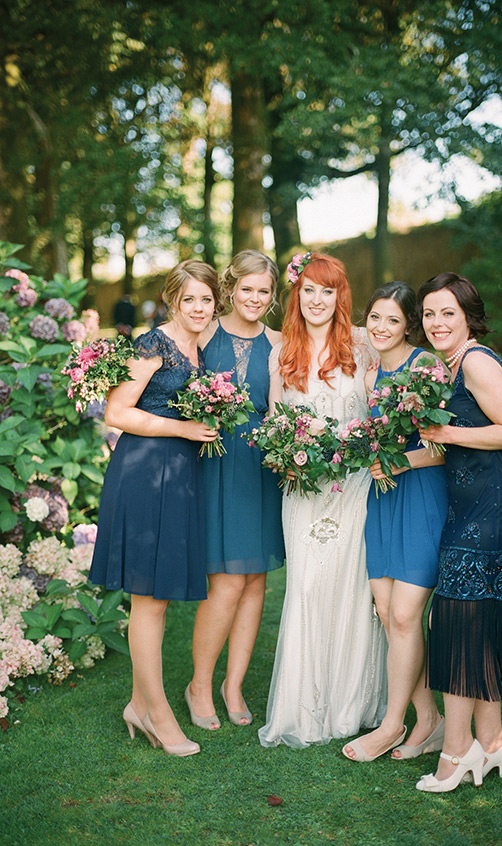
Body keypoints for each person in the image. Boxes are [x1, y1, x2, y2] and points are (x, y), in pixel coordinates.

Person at [89, 260, 221, 757]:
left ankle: (136, 703)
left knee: (158, 597)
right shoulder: (153, 345)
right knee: (149, 597)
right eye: (189, 299)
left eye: (206, 300)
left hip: (180, 474)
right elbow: (117, 412)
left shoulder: (199, 346)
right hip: (146, 472)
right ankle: (155, 711)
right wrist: (184, 429)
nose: (199, 308)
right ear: (173, 300)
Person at [258, 252, 387, 749]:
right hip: (304, 490)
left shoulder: (361, 345)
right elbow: (274, 425)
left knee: (353, 587)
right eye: (308, 290)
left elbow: (386, 404)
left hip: (355, 487)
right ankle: (304, 708)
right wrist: (287, 457)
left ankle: (353, 705)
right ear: (297, 294)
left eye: (326, 291)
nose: (317, 300)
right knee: (308, 587)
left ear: (340, 296)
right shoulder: (282, 353)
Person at [414, 271, 502, 793]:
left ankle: (456, 751)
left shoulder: (478, 362)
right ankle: (492, 741)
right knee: (469, 623)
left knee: (456, 624)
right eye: (429, 313)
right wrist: (402, 461)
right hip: (471, 504)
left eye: (447, 313)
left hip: (493, 508)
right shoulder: (448, 365)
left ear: (467, 316)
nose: (437, 323)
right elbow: (452, 445)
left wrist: (445, 431)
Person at [342, 282, 448, 762]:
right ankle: (430, 720)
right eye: (375, 318)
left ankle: (391, 724)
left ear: (410, 326)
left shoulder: (423, 367)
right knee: (389, 615)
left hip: (422, 495)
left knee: (406, 615)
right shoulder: (369, 373)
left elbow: (448, 443)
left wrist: (402, 462)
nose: (382, 328)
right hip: (382, 498)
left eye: (393, 320)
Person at [186, 250, 285, 730]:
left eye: (264, 290)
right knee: (225, 581)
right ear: (231, 288)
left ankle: (233, 684)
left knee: (255, 581)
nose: (255, 298)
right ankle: (199, 684)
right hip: (214, 463)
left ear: (272, 296)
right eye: (247, 288)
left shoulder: (281, 343)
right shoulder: (204, 333)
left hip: (262, 467)